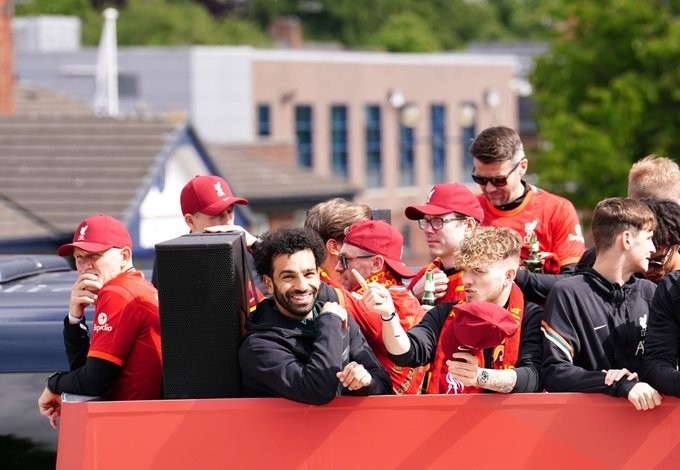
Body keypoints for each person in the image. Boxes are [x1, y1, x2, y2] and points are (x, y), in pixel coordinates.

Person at [361, 226, 543, 394]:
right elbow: (406, 353)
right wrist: (389, 315)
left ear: (509, 276)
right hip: (448, 416)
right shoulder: (446, 313)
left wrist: (480, 377)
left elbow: (533, 377)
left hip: (508, 417)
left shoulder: (531, 315)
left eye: (478, 271)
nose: (467, 280)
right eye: (464, 270)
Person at [238, 226, 392, 404]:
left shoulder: (337, 316)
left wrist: (365, 382)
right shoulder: (258, 346)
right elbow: (318, 390)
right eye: (289, 277)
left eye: (309, 274)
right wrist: (329, 323)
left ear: (319, 275)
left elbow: (384, 385)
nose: (302, 286)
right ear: (269, 283)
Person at [38, 214, 162, 428]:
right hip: (145, 425)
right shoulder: (141, 287)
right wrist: (75, 318)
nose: (85, 266)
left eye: (94, 255)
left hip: (131, 428)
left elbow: (93, 382)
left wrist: (53, 383)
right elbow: (86, 375)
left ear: (124, 256)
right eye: (79, 257)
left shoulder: (117, 292)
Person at [541, 198, 661, 411]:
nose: (653, 248)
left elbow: (665, 362)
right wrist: (617, 384)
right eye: (649, 238)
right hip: (585, 426)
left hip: (651, 422)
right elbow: (555, 372)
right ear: (626, 239)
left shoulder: (650, 292)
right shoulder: (568, 293)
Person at [469, 126, 585, 273]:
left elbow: (571, 278)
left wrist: (509, 275)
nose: (490, 188)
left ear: (522, 167)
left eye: (499, 180)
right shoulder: (468, 211)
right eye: (480, 179)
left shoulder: (557, 210)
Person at [334, 219, 426, 394]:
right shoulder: (407, 297)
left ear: (376, 264)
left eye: (345, 260)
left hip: (382, 408)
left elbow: (316, 292)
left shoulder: (371, 303)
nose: (338, 267)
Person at [153, 174, 264, 305]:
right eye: (217, 214)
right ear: (190, 221)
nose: (228, 222)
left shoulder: (252, 248)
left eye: (230, 211)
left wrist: (257, 246)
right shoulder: (172, 260)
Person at [404, 183, 482, 305]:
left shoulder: (484, 277)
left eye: (437, 221)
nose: (427, 230)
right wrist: (414, 295)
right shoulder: (425, 275)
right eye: (426, 221)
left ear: (468, 225)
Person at [304, 197, 372, 287]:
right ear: (334, 247)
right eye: (361, 239)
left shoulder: (378, 286)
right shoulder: (310, 291)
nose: (372, 246)